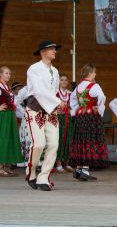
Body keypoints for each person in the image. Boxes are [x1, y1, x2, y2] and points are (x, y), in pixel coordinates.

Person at [25, 41, 66, 191]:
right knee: (38, 144)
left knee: (54, 145)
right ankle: (31, 171)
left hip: (50, 111)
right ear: (43, 51)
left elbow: (52, 91)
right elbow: (39, 90)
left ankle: (44, 177)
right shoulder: (33, 69)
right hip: (35, 108)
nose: (55, 51)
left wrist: (56, 105)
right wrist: (58, 102)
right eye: (51, 49)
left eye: (55, 48)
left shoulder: (55, 71)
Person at [69, 64, 109, 181]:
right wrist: (99, 108)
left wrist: (76, 110)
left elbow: (72, 100)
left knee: (81, 140)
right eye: (94, 72)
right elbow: (102, 97)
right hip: (91, 116)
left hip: (80, 116)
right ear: (90, 73)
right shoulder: (94, 86)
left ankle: (79, 169)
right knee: (89, 141)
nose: (95, 74)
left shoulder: (78, 87)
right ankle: (85, 169)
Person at [0, 66, 23, 177]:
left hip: (9, 115)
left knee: (9, 139)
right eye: (6, 73)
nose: (8, 75)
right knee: (3, 139)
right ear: (0, 74)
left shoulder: (7, 87)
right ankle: (0, 167)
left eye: (9, 73)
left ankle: (5, 166)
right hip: (3, 116)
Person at [55, 74, 74, 173]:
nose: (63, 82)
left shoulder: (70, 94)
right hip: (58, 119)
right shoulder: (55, 93)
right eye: (61, 80)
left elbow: (74, 106)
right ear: (58, 81)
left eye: (66, 80)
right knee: (59, 140)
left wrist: (71, 111)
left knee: (68, 140)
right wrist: (55, 111)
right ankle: (58, 164)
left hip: (68, 119)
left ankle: (67, 163)